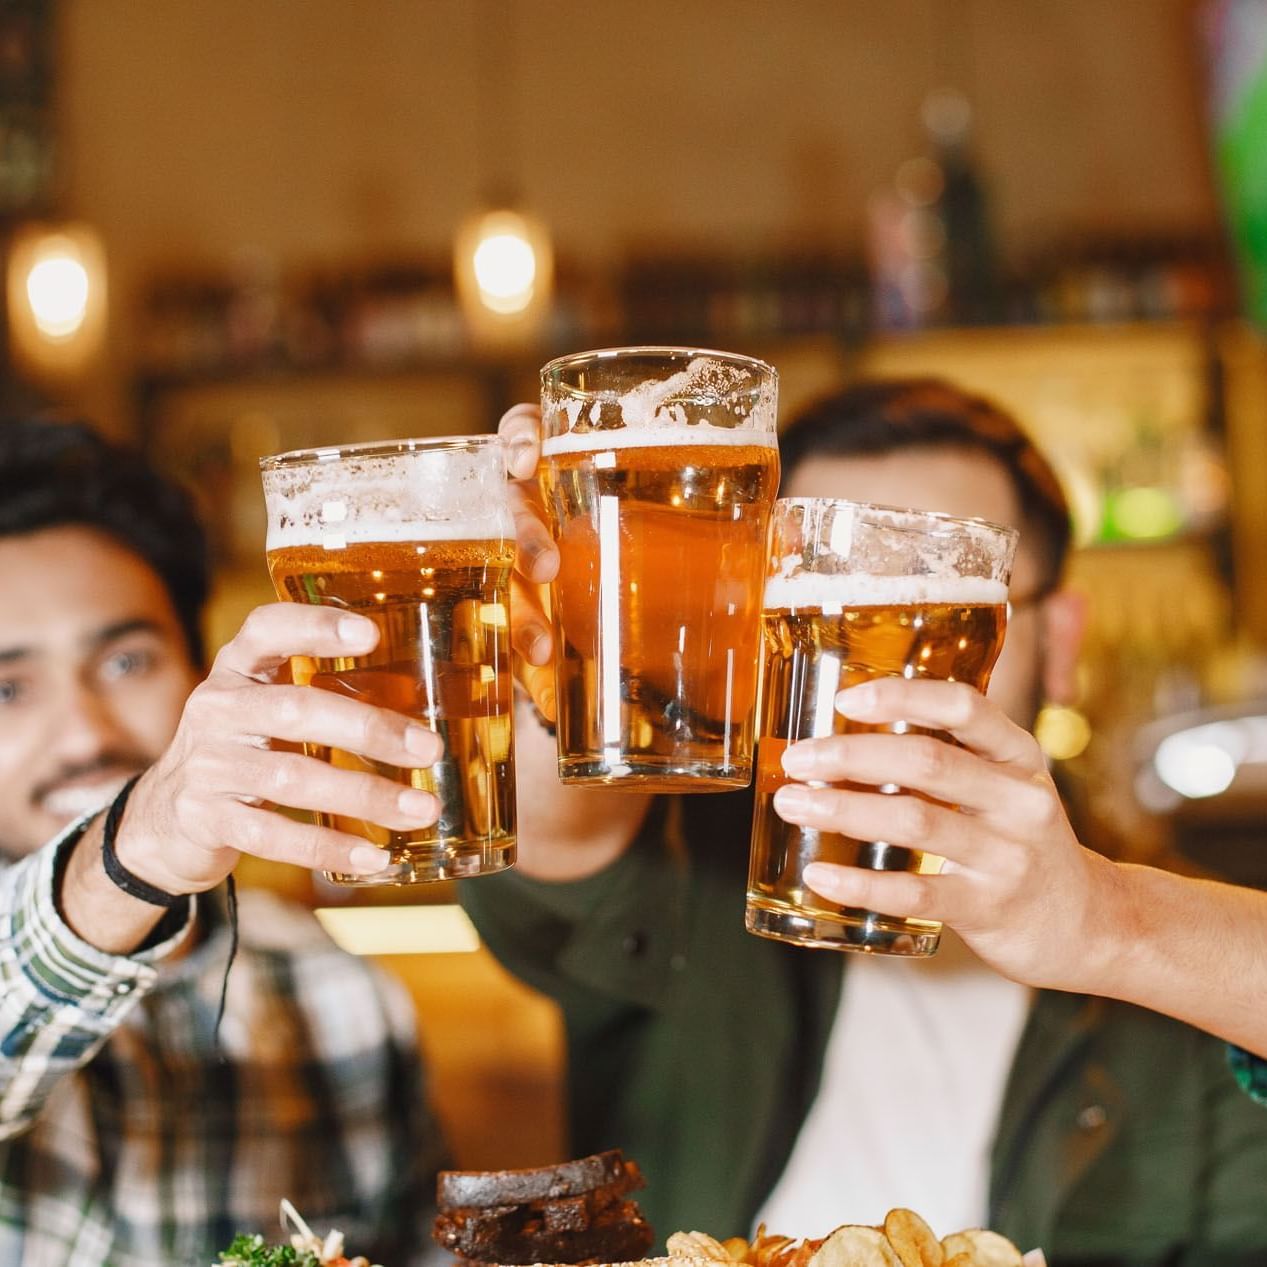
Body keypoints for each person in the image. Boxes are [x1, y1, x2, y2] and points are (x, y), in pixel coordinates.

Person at [468, 381, 1267, 1264]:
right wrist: (569, 609)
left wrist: (1110, 923)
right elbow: (555, 824)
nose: (874, 664)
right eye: (821, 572)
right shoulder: (692, 876)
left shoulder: (1177, 965)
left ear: (1059, 640)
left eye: (937, 570)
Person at [0, 420, 449, 1265]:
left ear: (200, 667)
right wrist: (131, 853)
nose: (83, 734)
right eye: (8, 688)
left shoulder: (339, 992)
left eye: (126, 662)